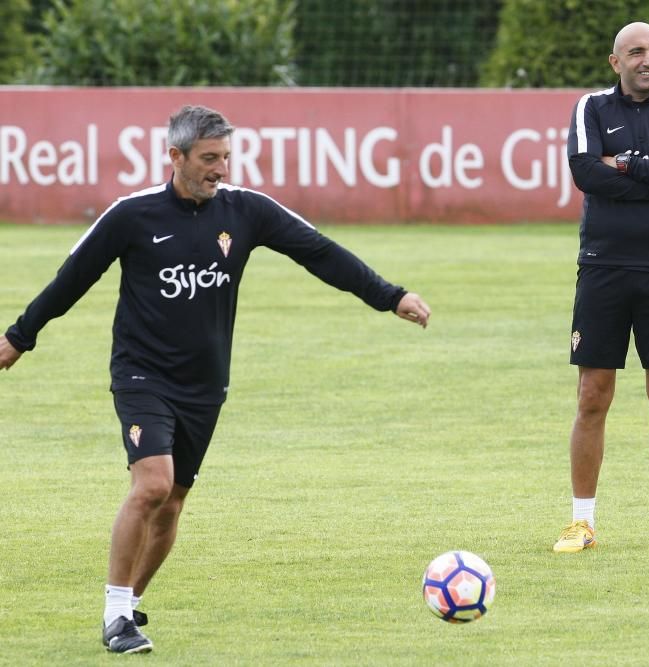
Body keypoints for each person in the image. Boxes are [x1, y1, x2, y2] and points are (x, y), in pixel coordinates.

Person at [0, 105, 431, 653]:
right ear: (175, 157)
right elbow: (72, 279)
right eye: (209, 158)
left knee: (173, 501)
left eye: (225, 157)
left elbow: (319, 253)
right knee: (152, 483)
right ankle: (114, 615)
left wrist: (389, 296)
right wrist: (18, 337)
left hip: (205, 385)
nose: (221, 168)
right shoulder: (132, 215)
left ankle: (128, 608)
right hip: (141, 374)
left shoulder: (247, 211)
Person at [553, 22, 649, 553]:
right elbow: (584, 173)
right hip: (602, 267)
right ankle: (581, 522)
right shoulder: (592, 109)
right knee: (592, 396)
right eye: (637, 52)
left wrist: (623, 163)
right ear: (614, 61)